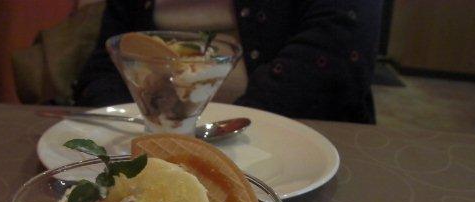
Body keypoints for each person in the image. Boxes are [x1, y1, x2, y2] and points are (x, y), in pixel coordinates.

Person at [74, 0, 382, 124]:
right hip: (153, 140)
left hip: (291, 140)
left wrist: (221, 132)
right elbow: (105, 67)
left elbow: (338, 55)